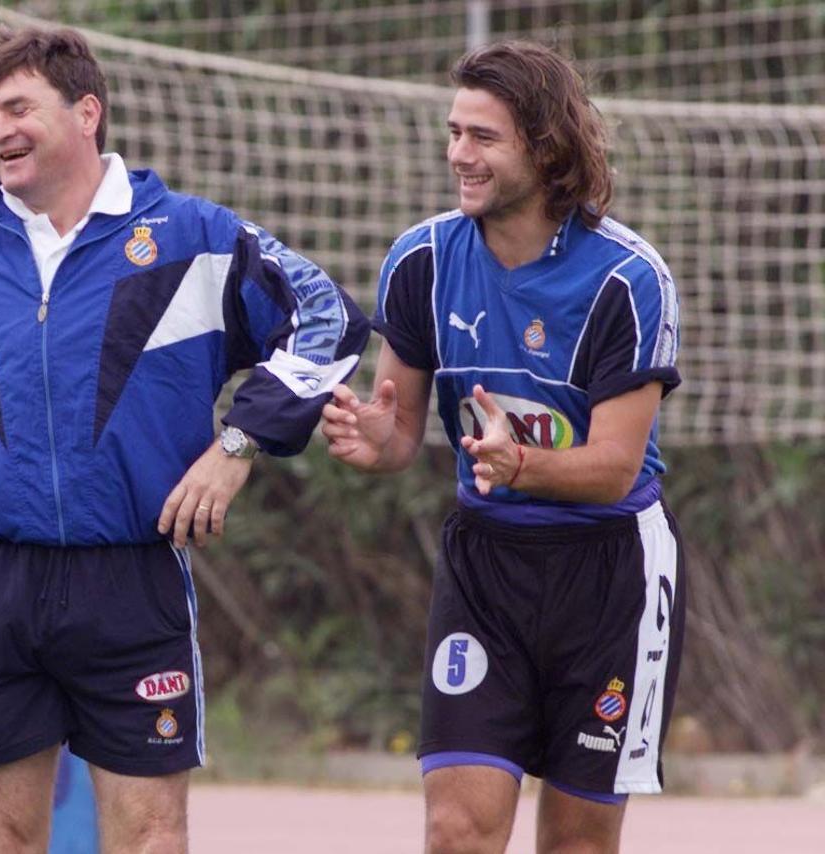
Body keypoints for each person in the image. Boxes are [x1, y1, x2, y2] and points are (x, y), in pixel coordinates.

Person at [0, 25, 368, 854]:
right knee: (3, 835)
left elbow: (327, 320)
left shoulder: (192, 236)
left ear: (87, 112)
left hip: (131, 577)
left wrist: (237, 447)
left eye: (18, 107)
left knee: (151, 837)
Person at [322, 40, 685, 853]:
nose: (459, 154)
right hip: (486, 570)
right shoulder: (422, 260)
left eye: (482, 137)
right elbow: (401, 431)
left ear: (545, 145)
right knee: (456, 832)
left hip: (609, 574)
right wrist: (374, 438)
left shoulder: (628, 279)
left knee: (577, 843)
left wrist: (521, 464)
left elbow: (613, 467)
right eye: (454, 133)